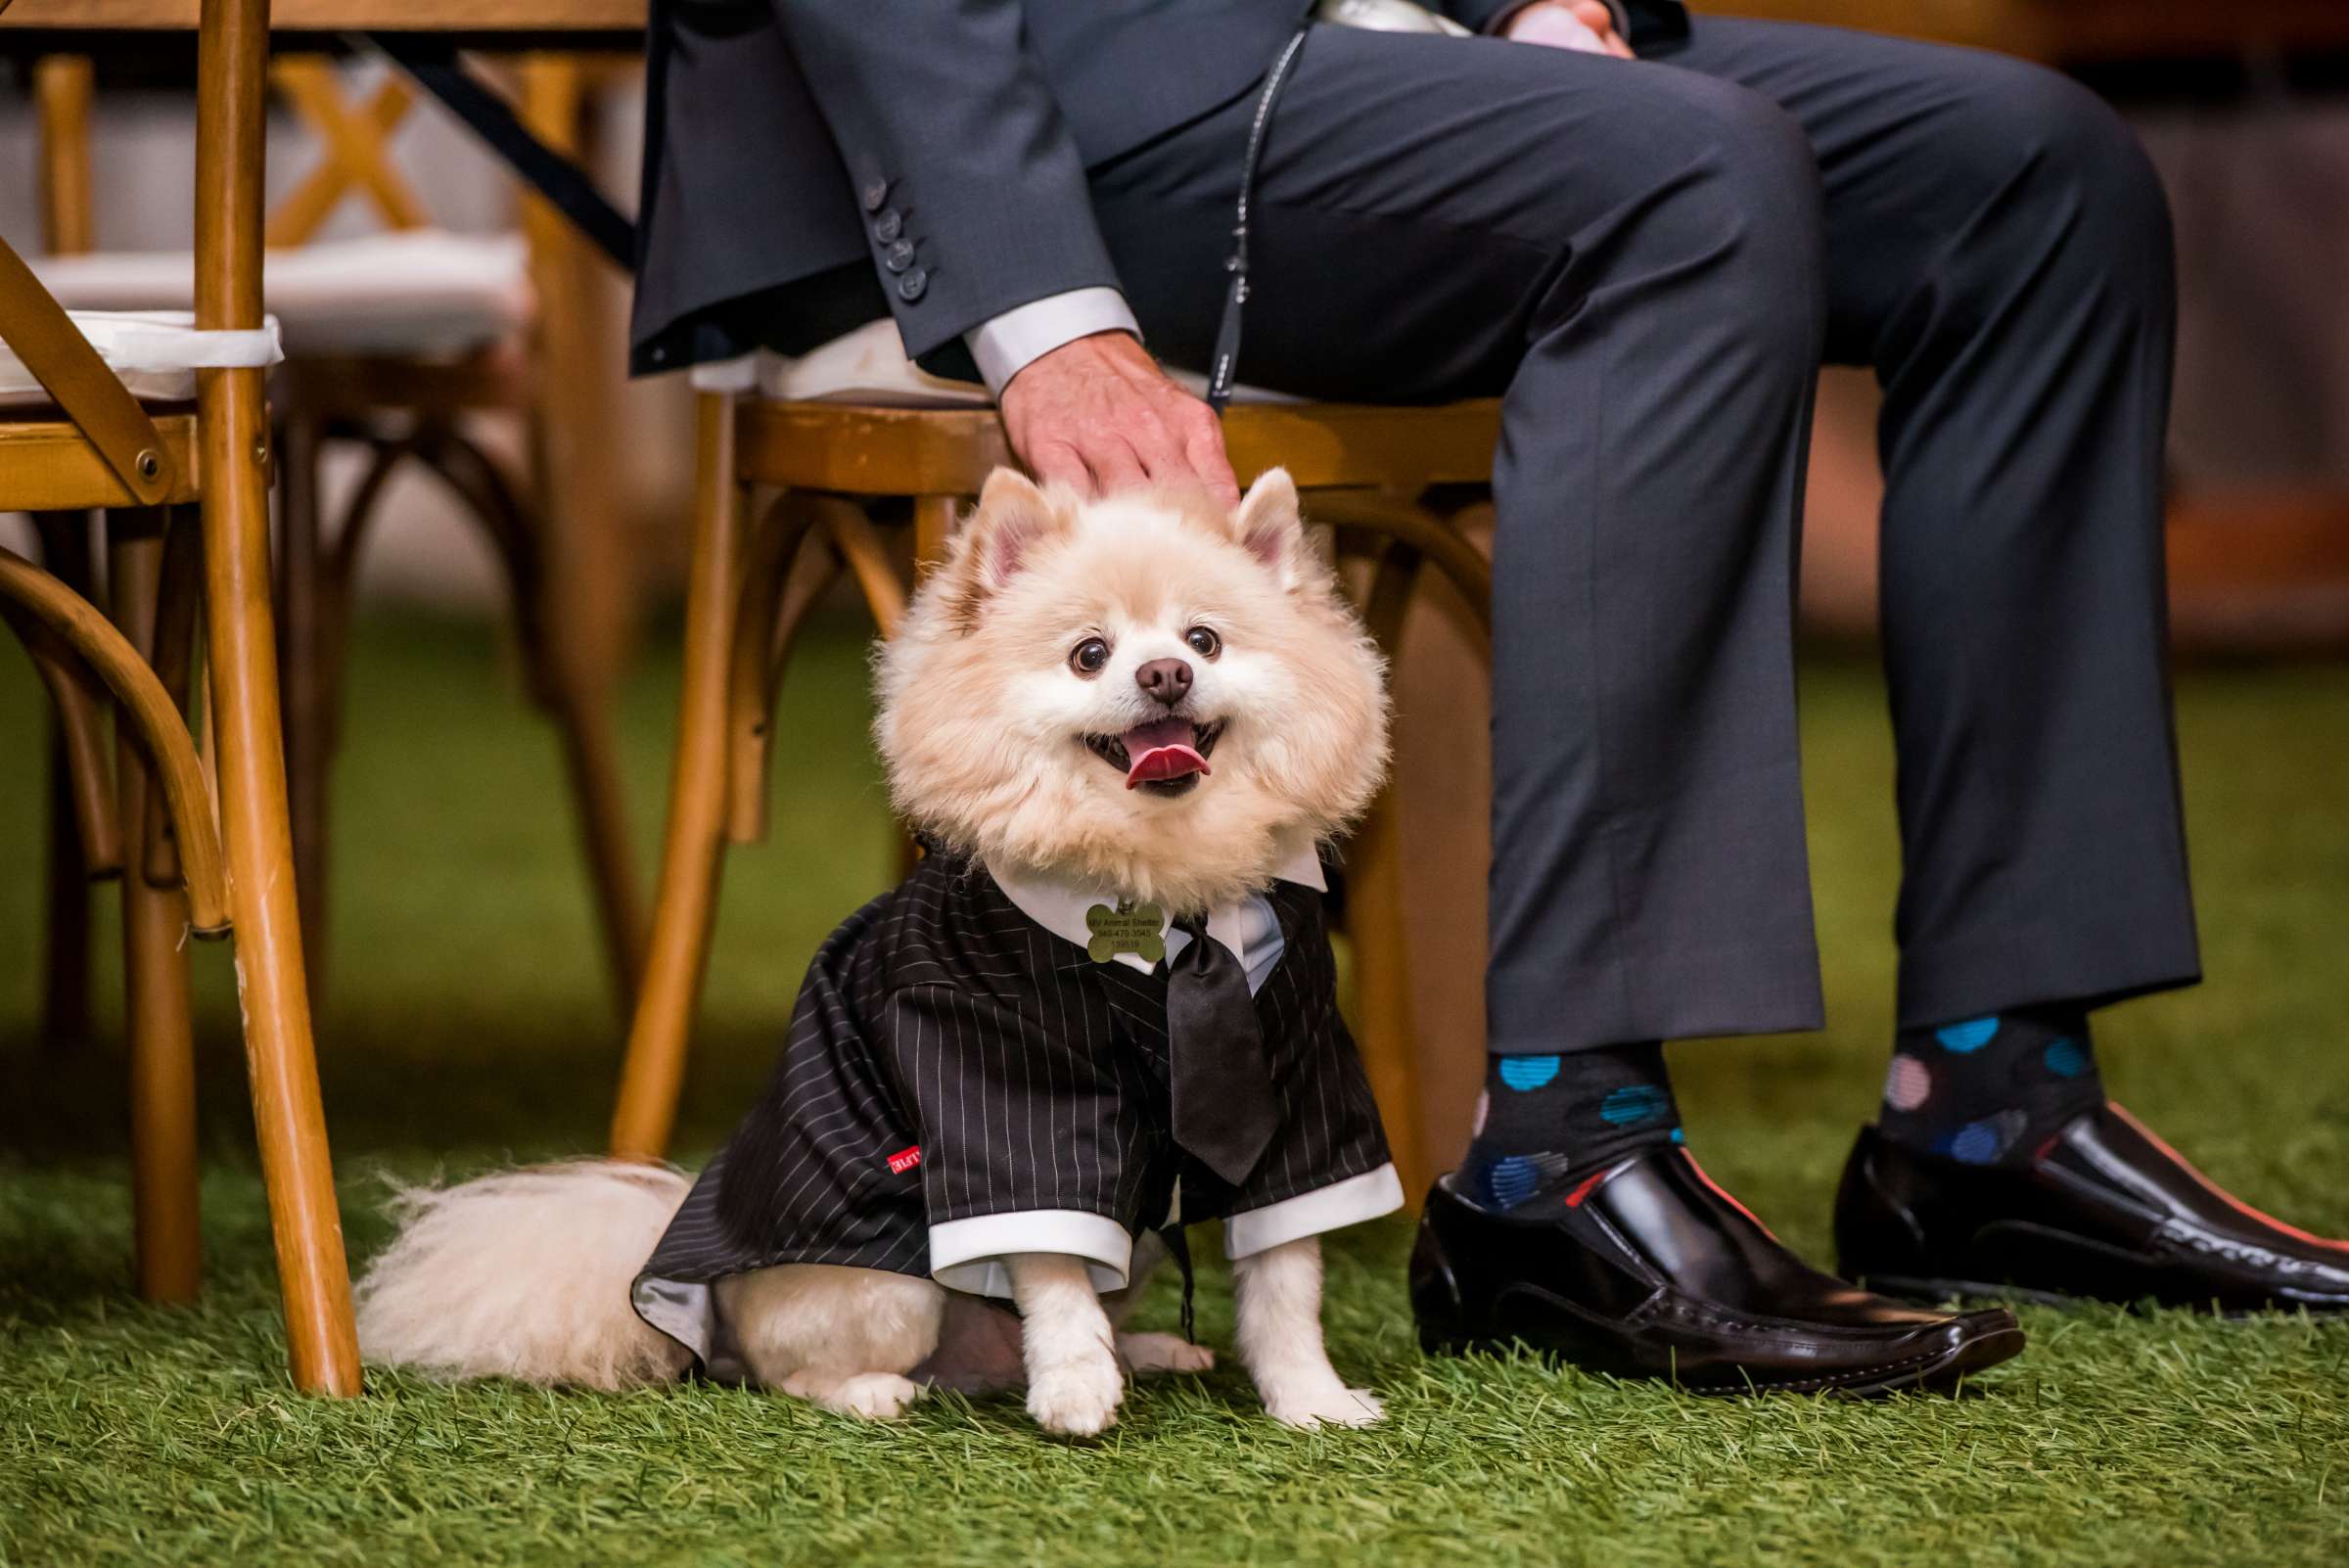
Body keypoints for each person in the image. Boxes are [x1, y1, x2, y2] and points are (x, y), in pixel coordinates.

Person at [627, 0, 2349, 1392]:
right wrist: (1041, 305)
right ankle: (1561, 1161)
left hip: (1356, 39)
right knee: (1696, 178)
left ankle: (1991, 1101)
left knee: (2040, 174)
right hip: (1037, 86)